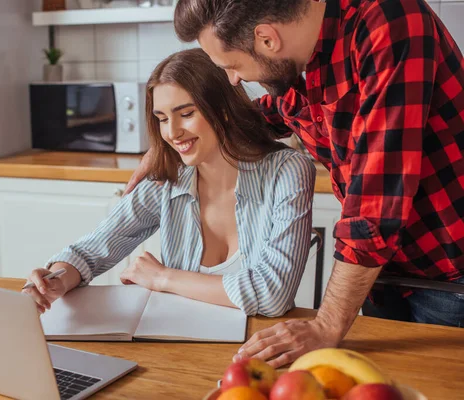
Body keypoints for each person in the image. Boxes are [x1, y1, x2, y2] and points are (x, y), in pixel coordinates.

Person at [125, 0, 464, 367]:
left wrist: (326, 324)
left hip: (449, 277)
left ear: (267, 39)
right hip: (378, 275)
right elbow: (274, 114)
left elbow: (374, 206)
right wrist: (176, 143)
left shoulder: (390, 24)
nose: (234, 80)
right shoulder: (303, 61)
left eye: (232, 66)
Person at [23, 48, 316, 317]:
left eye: (186, 114)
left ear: (223, 110)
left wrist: (162, 277)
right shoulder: (169, 179)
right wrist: (56, 279)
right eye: (162, 118)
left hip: (261, 350)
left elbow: (272, 294)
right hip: (181, 347)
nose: (173, 132)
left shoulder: (288, 171)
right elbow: (92, 249)